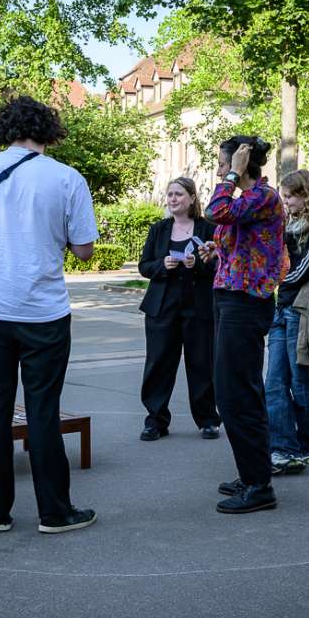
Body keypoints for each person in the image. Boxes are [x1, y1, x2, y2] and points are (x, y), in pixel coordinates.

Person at [0, 96, 98, 534]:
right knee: (42, 412)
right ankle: (55, 512)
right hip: (44, 314)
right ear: (48, 132)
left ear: (5, 130)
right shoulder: (68, 178)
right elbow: (85, 251)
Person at [196, 136, 285, 514]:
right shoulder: (248, 202)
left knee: (237, 395)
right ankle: (252, 473)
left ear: (242, 162)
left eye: (223, 162)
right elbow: (232, 231)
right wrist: (217, 252)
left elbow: (216, 210)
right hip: (232, 298)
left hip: (246, 304)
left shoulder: (263, 195)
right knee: (235, 391)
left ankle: (259, 485)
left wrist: (232, 172)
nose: (218, 169)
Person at [138, 177, 221, 442]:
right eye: (170, 194)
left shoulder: (208, 229)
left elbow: (217, 267)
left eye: (179, 194)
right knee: (158, 363)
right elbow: (144, 266)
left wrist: (196, 263)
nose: (173, 199)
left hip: (198, 307)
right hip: (162, 308)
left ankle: (208, 419)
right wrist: (162, 265)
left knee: (201, 364)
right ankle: (155, 420)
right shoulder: (159, 229)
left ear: (192, 198)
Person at [266, 169, 309, 476]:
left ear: (306, 194)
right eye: (284, 195)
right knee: (273, 383)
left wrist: (272, 281)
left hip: (304, 310)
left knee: (300, 384)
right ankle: (283, 448)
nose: (286, 201)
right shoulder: (284, 223)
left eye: (290, 195)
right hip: (281, 309)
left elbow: (303, 269)